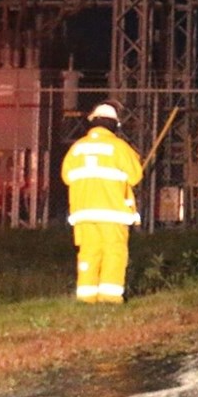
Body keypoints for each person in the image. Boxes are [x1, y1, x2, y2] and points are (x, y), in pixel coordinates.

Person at [61, 102, 144, 303]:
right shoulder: (120, 148)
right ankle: (110, 297)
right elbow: (135, 177)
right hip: (112, 212)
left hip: (83, 214)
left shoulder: (77, 148)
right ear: (115, 125)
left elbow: (66, 177)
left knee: (89, 254)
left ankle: (86, 298)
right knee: (114, 253)